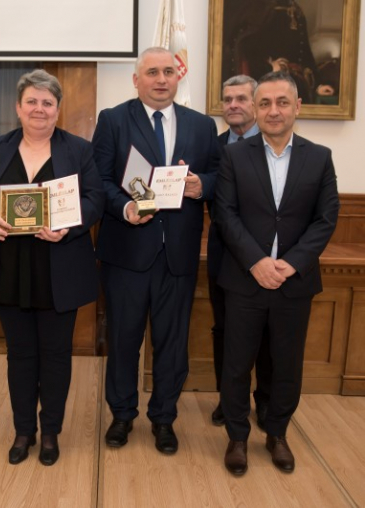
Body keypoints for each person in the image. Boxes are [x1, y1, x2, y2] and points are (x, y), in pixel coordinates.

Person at [0, 69, 104, 466]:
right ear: (18, 108)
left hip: (59, 269)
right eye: (32, 102)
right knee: (20, 355)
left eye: (47, 102)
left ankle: (51, 432)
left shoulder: (78, 149)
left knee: (56, 355)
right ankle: (24, 431)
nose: (39, 109)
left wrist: (68, 226)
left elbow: (95, 199)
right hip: (9, 270)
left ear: (58, 109)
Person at [93, 47, 221, 454]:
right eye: (152, 72)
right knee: (124, 340)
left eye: (168, 71)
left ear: (178, 77)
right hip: (126, 253)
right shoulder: (113, 120)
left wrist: (205, 186)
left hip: (178, 256)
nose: (161, 79)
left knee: (172, 344)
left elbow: (219, 175)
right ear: (137, 79)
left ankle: (164, 419)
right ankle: (122, 415)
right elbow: (98, 180)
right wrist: (126, 206)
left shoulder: (202, 126)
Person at [215, 72, 339, 476]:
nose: (273, 110)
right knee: (236, 365)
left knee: (286, 364)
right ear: (254, 107)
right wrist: (256, 261)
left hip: (294, 282)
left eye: (282, 102)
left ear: (297, 107)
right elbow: (225, 214)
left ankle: (277, 433)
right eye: (264, 103)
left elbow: (326, 218)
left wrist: (293, 261)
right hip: (245, 279)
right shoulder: (234, 156)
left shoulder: (319, 156)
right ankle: (237, 437)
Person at [208, 75, 272, 427]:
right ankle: (228, 399)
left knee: (266, 333)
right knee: (226, 331)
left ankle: (264, 401)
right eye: (227, 99)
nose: (233, 104)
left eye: (241, 98)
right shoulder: (212, 146)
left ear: (256, 103)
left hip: (271, 257)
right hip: (225, 257)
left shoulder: (274, 144)